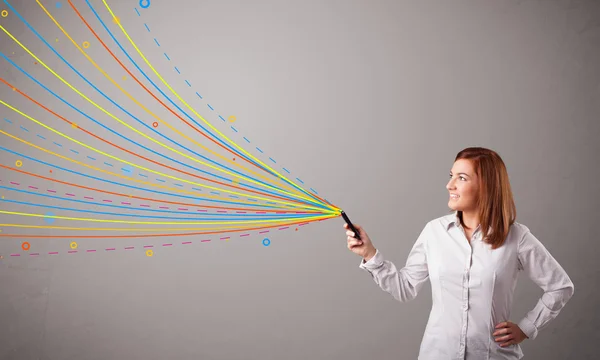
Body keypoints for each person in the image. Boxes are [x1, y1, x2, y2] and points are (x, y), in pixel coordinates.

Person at [345, 147, 574, 360]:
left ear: (487, 186)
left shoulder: (516, 237)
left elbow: (560, 286)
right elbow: (405, 289)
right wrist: (370, 253)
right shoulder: (434, 232)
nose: (449, 185)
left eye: (461, 178)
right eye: (451, 175)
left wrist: (526, 328)